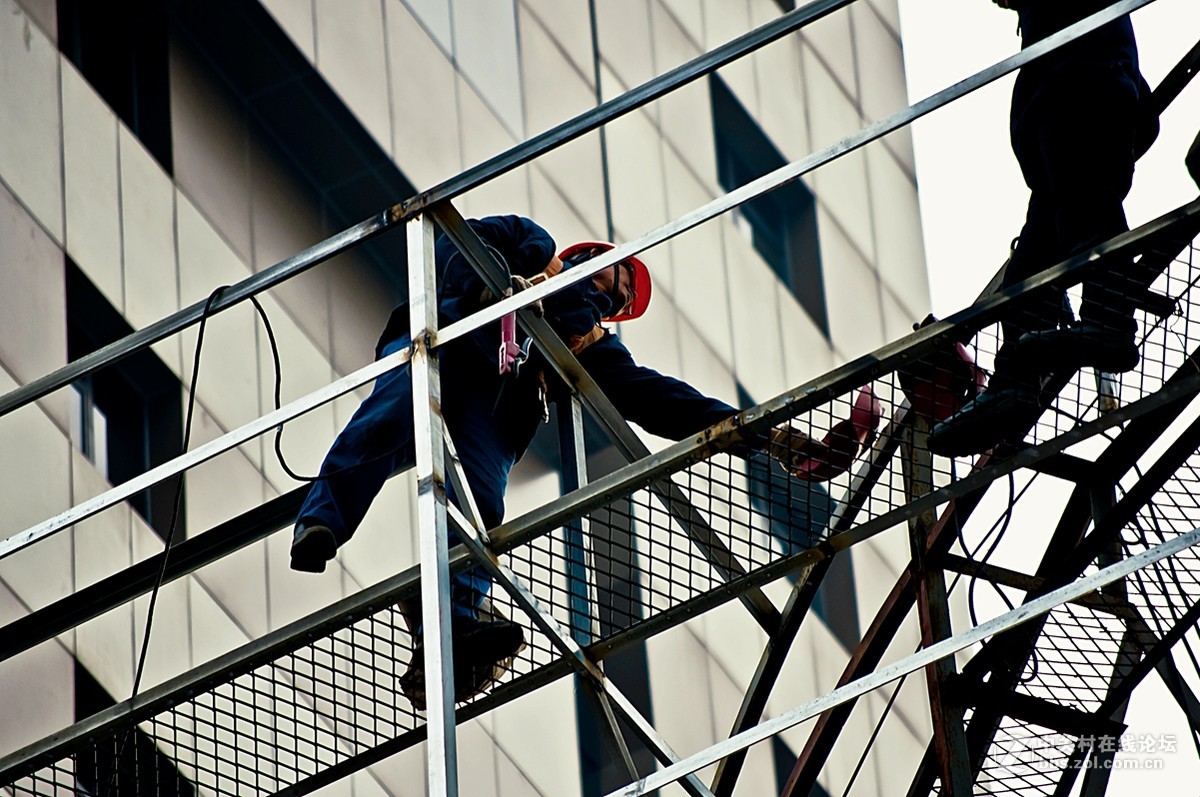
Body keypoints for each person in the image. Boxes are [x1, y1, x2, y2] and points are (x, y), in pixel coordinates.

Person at [287, 215, 760, 702]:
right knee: (388, 420)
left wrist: (752, 431)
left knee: (480, 502)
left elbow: (655, 397)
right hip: (449, 339)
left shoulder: (589, 345)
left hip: (497, 403)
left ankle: (450, 631)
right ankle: (321, 525)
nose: (613, 296)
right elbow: (457, 245)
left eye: (619, 301)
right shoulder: (533, 243)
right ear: (589, 257)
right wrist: (494, 284)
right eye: (612, 280)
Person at [928, 0, 1158, 456]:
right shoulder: (1063, 28)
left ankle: (1109, 324)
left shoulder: (1076, 36)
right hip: (1071, 112)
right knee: (1031, 267)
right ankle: (1013, 381)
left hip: (1078, 97)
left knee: (1088, 218)